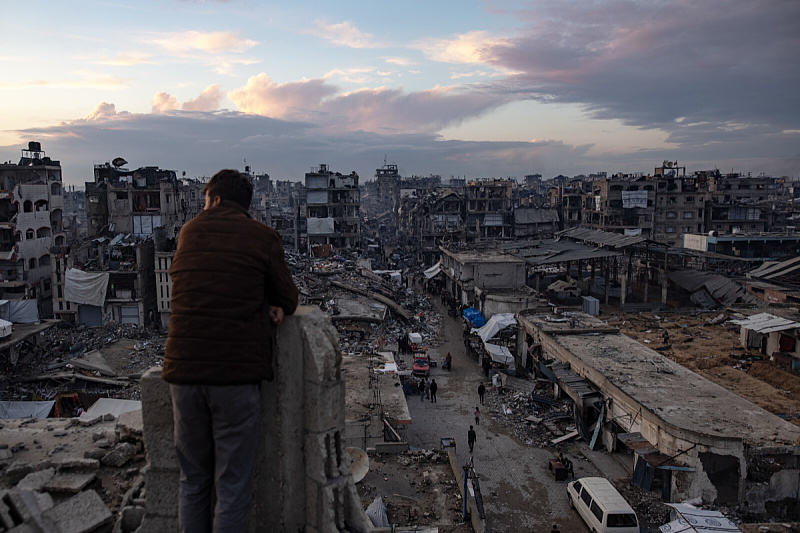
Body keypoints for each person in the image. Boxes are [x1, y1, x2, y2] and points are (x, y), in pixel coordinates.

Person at [163, 169, 299, 533]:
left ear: (216, 200)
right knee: (232, 487)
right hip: (235, 379)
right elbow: (290, 297)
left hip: (183, 376)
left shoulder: (188, 232)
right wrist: (268, 301)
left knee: (192, 481)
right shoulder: (263, 236)